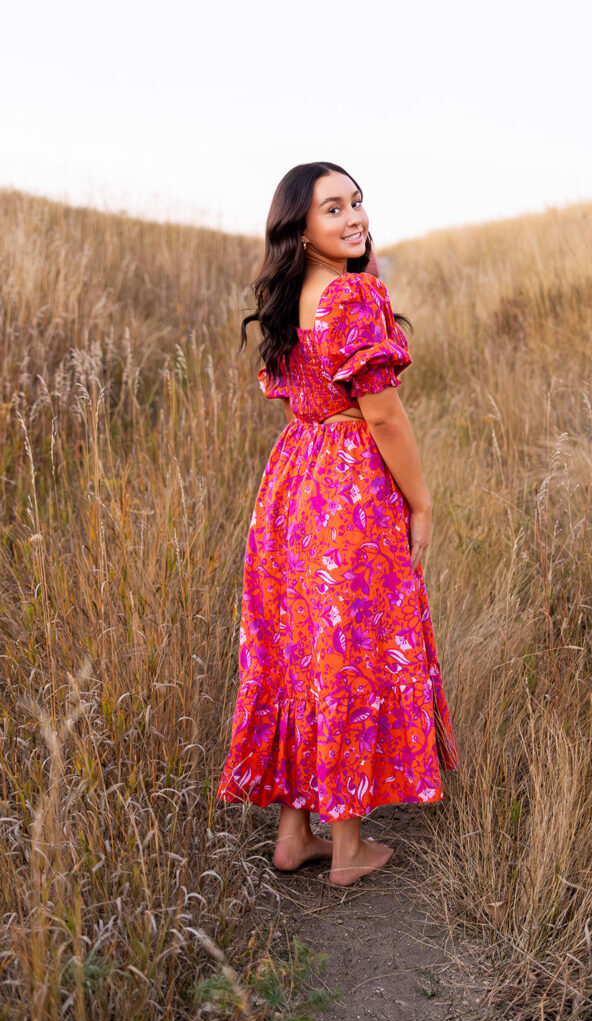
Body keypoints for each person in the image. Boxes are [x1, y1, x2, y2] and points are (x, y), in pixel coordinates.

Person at [217, 161, 460, 887]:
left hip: (293, 486)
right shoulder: (351, 296)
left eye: (357, 202)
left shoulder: (295, 294)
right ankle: (348, 847)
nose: (353, 217)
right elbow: (382, 411)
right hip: (348, 489)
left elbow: (298, 389)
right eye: (333, 208)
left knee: (297, 648)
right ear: (302, 226)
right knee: (351, 649)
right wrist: (419, 500)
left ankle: (295, 834)